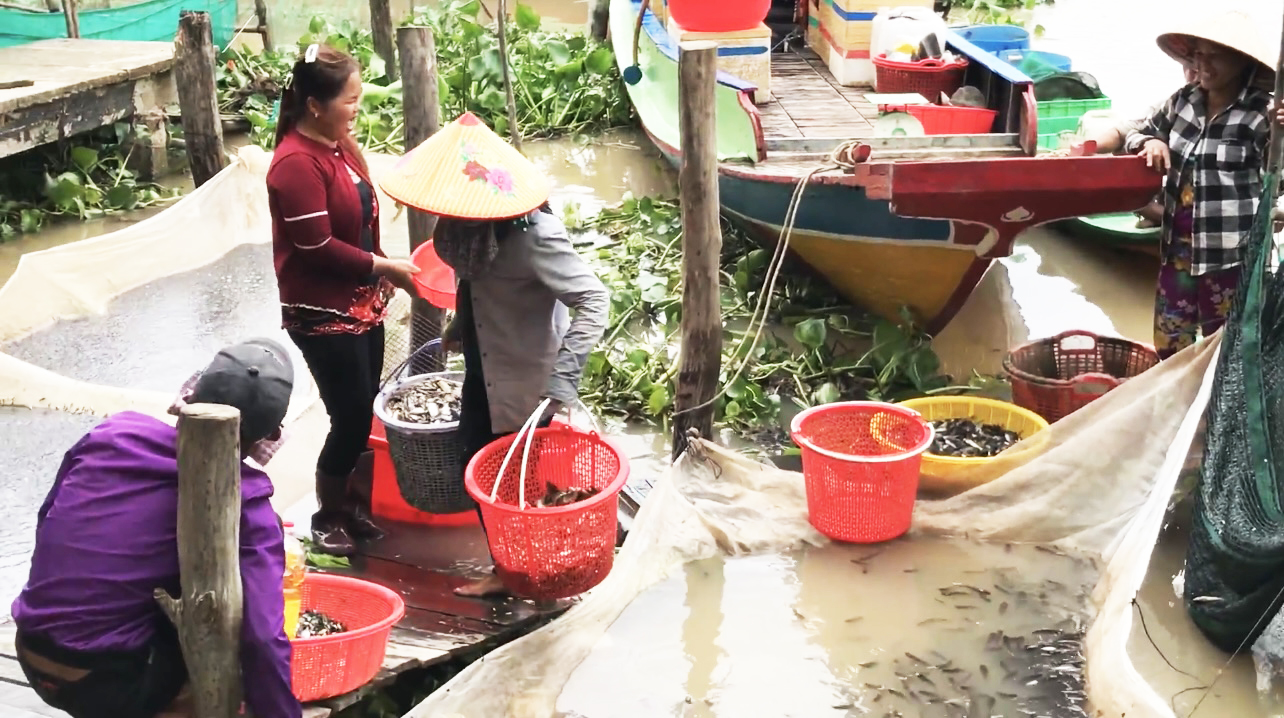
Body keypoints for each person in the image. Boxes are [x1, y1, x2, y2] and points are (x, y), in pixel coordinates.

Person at [379, 112, 610, 598]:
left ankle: (533, 577)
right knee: (476, 463)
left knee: (520, 480)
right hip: (485, 370)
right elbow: (470, 279)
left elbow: (594, 299)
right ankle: (508, 569)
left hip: (528, 383)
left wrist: (563, 381)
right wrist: (460, 326)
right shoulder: (470, 233)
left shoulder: (535, 238)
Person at [11, 339, 301, 718]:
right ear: (269, 436)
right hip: (104, 677)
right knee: (225, 666)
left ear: (190, 394)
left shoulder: (114, 434)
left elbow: (47, 519)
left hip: (29, 646)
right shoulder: (248, 504)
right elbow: (262, 638)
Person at [266, 43, 422, 556]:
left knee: (367, 407)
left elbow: (360, 219)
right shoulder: (294, 164)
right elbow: (316, 248)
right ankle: (328, 513)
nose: (357, 109)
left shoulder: (340, 147)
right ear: (315, 104)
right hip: (321, 310)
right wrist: (385, 267)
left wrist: (382, 270)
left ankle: (356, 507)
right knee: (349, 415)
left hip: (362, 300)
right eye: (350, 100)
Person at [1121, 11, 1278, 360]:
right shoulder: (1183, 102)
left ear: (1242, 62)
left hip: (1230, 259)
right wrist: (1149, 143)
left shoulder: (1259, 115)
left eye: (1215, 57)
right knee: (1169, 346)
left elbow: (1275, 178)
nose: (1203, 65)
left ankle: (1213, 414)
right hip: (1177, 252)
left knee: (1223, 354)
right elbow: (1136, 133)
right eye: (1198, 55)